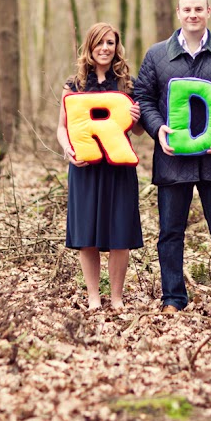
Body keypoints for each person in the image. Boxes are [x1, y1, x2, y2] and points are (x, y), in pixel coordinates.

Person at [133, 0, 211, 313]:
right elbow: (143, 98)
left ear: (208, 12)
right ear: (178, 12)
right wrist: (157, 128)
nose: (192, 15)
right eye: (187, 9)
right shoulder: (157, 55)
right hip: (172, 161)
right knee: (170, 233)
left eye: (198, 9)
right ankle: (173, 298)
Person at [57, 22, 143, 312]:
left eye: (110, 43)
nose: (105, 48)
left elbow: (140, 132)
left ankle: (117, 297)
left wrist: (137, 116)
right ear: (89, 46)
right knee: (87, 234)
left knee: (120, 233)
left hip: (119, 169)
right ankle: (93, 296)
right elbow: (61, 127)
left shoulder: (127, 84)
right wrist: (68, 151)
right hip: (85, 168)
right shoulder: (75, 84)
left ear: (116, 47)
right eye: (99, 43)